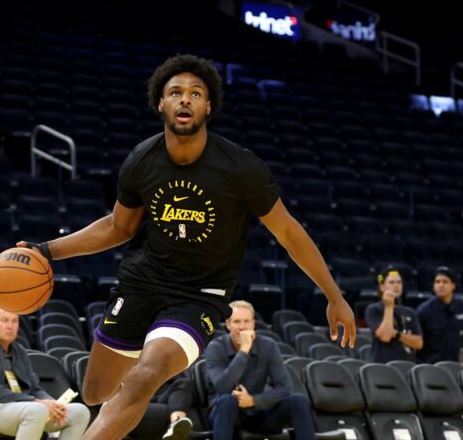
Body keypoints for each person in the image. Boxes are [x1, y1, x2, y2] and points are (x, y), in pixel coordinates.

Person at [18, 54, 356, 440]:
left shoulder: (240, 167)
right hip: (141, 283)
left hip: (200, 295)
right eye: (175, 92)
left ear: (208, 106)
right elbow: (117, 227)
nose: (185, 100)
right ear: (160, 103)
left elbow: (290, 233)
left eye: (196, 93)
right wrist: (46, 250)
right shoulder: (142, 161)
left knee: (147, 372)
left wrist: (333, 295)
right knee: (98, 391)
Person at [0, 305, 90, 440]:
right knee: (37, 410)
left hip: (20, 407)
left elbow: (34, 388)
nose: (10, 326)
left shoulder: (19, 351)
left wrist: (53, 404)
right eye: (4, 320)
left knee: (79, 412)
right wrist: (37, 402)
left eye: (14, 321)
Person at [205, 300, 316, 440]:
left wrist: (253, 401)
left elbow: (284, 388)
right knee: (228, 400)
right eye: (236, 322)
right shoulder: (215, 347)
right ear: (227, 324)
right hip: (224, 415)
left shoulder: (268, 346)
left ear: (253, 324)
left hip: (258, 412)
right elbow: (223, 387)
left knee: (298, 401)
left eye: (247, 321)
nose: (242, 327)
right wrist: (244, 350)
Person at [417, 266, 463, 366]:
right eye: (437, 282)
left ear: (453, 285)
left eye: (445, 282)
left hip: (453, 365)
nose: (441, 285)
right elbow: (416, 340)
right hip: (429, 366)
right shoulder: (424, 310)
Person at [364, 266, 423, 363]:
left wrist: (396, 334)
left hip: (407, 366)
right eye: (391, 282)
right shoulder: (374, 309)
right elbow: (385, 337)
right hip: (384, 366)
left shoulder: (410, 312)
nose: (396, 286)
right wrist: (389, 307)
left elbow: (418, 343)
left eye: (399, 282)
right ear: (382, 286)